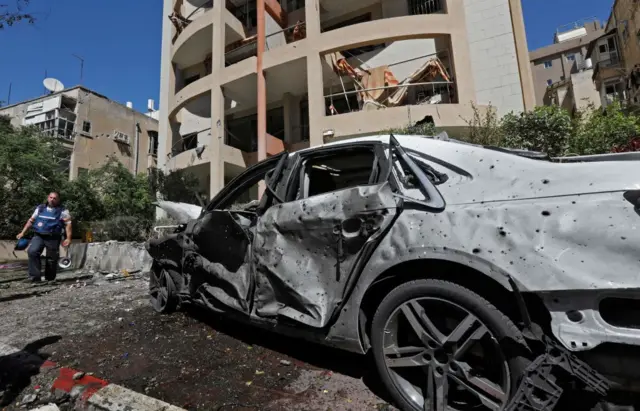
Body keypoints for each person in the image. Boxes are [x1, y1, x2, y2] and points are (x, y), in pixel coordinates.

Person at [16, 192, 72, 283]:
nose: (52, 200)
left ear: (58, 200)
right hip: (39, 235)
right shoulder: (40, 208)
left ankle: (50, 279)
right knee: (32, 251)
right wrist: (23, 232)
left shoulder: (63, 211)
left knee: (51, 258)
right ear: (48, 198)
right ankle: (34, 278)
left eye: (55, 198)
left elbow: (68, 225)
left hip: (53, 237)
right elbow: (31, 220)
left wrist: (68, 238)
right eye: (51, 197)